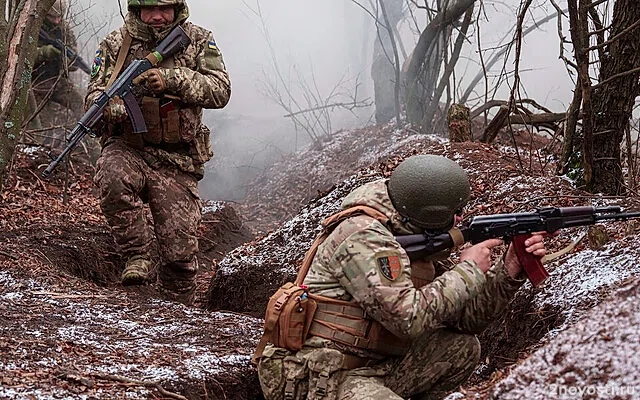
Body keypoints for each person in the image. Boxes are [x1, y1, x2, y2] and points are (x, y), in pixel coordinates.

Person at [256, 155, 549, 399]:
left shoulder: (409, 231)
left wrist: (509, 270)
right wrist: (468, 270)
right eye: (456, 212)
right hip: (319, 374)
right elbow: (408, 319)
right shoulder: (362, 236)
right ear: (430, 212)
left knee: (461, 348)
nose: (460, 218)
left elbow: (466, 319)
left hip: (373, 364)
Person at [85, 0, 230, 305]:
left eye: (164, 9)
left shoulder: (198, 39)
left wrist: (173, 79)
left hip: (177, 159)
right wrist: (110, 107)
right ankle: (136, 255)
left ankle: (176, 313)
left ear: (177, 9)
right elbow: (94, 93)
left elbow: (220, 90)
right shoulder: (115, 44)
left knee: (180, 257)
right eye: (148, 10)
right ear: (137, 11)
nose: (157, 17)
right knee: (111, 175)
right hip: (129, 149)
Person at [29, 0, 85, 148]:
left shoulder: (64, 30)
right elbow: (21, 58)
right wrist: (43, 53)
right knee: (42, 126)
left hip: (58, 81)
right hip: (34, 85)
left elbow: (73, 63)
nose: (56, 21)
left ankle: (88, 136)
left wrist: (65, 60)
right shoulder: (33, 26)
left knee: (79, 102)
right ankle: (39, 152)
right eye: (52, 17)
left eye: (59, 17)